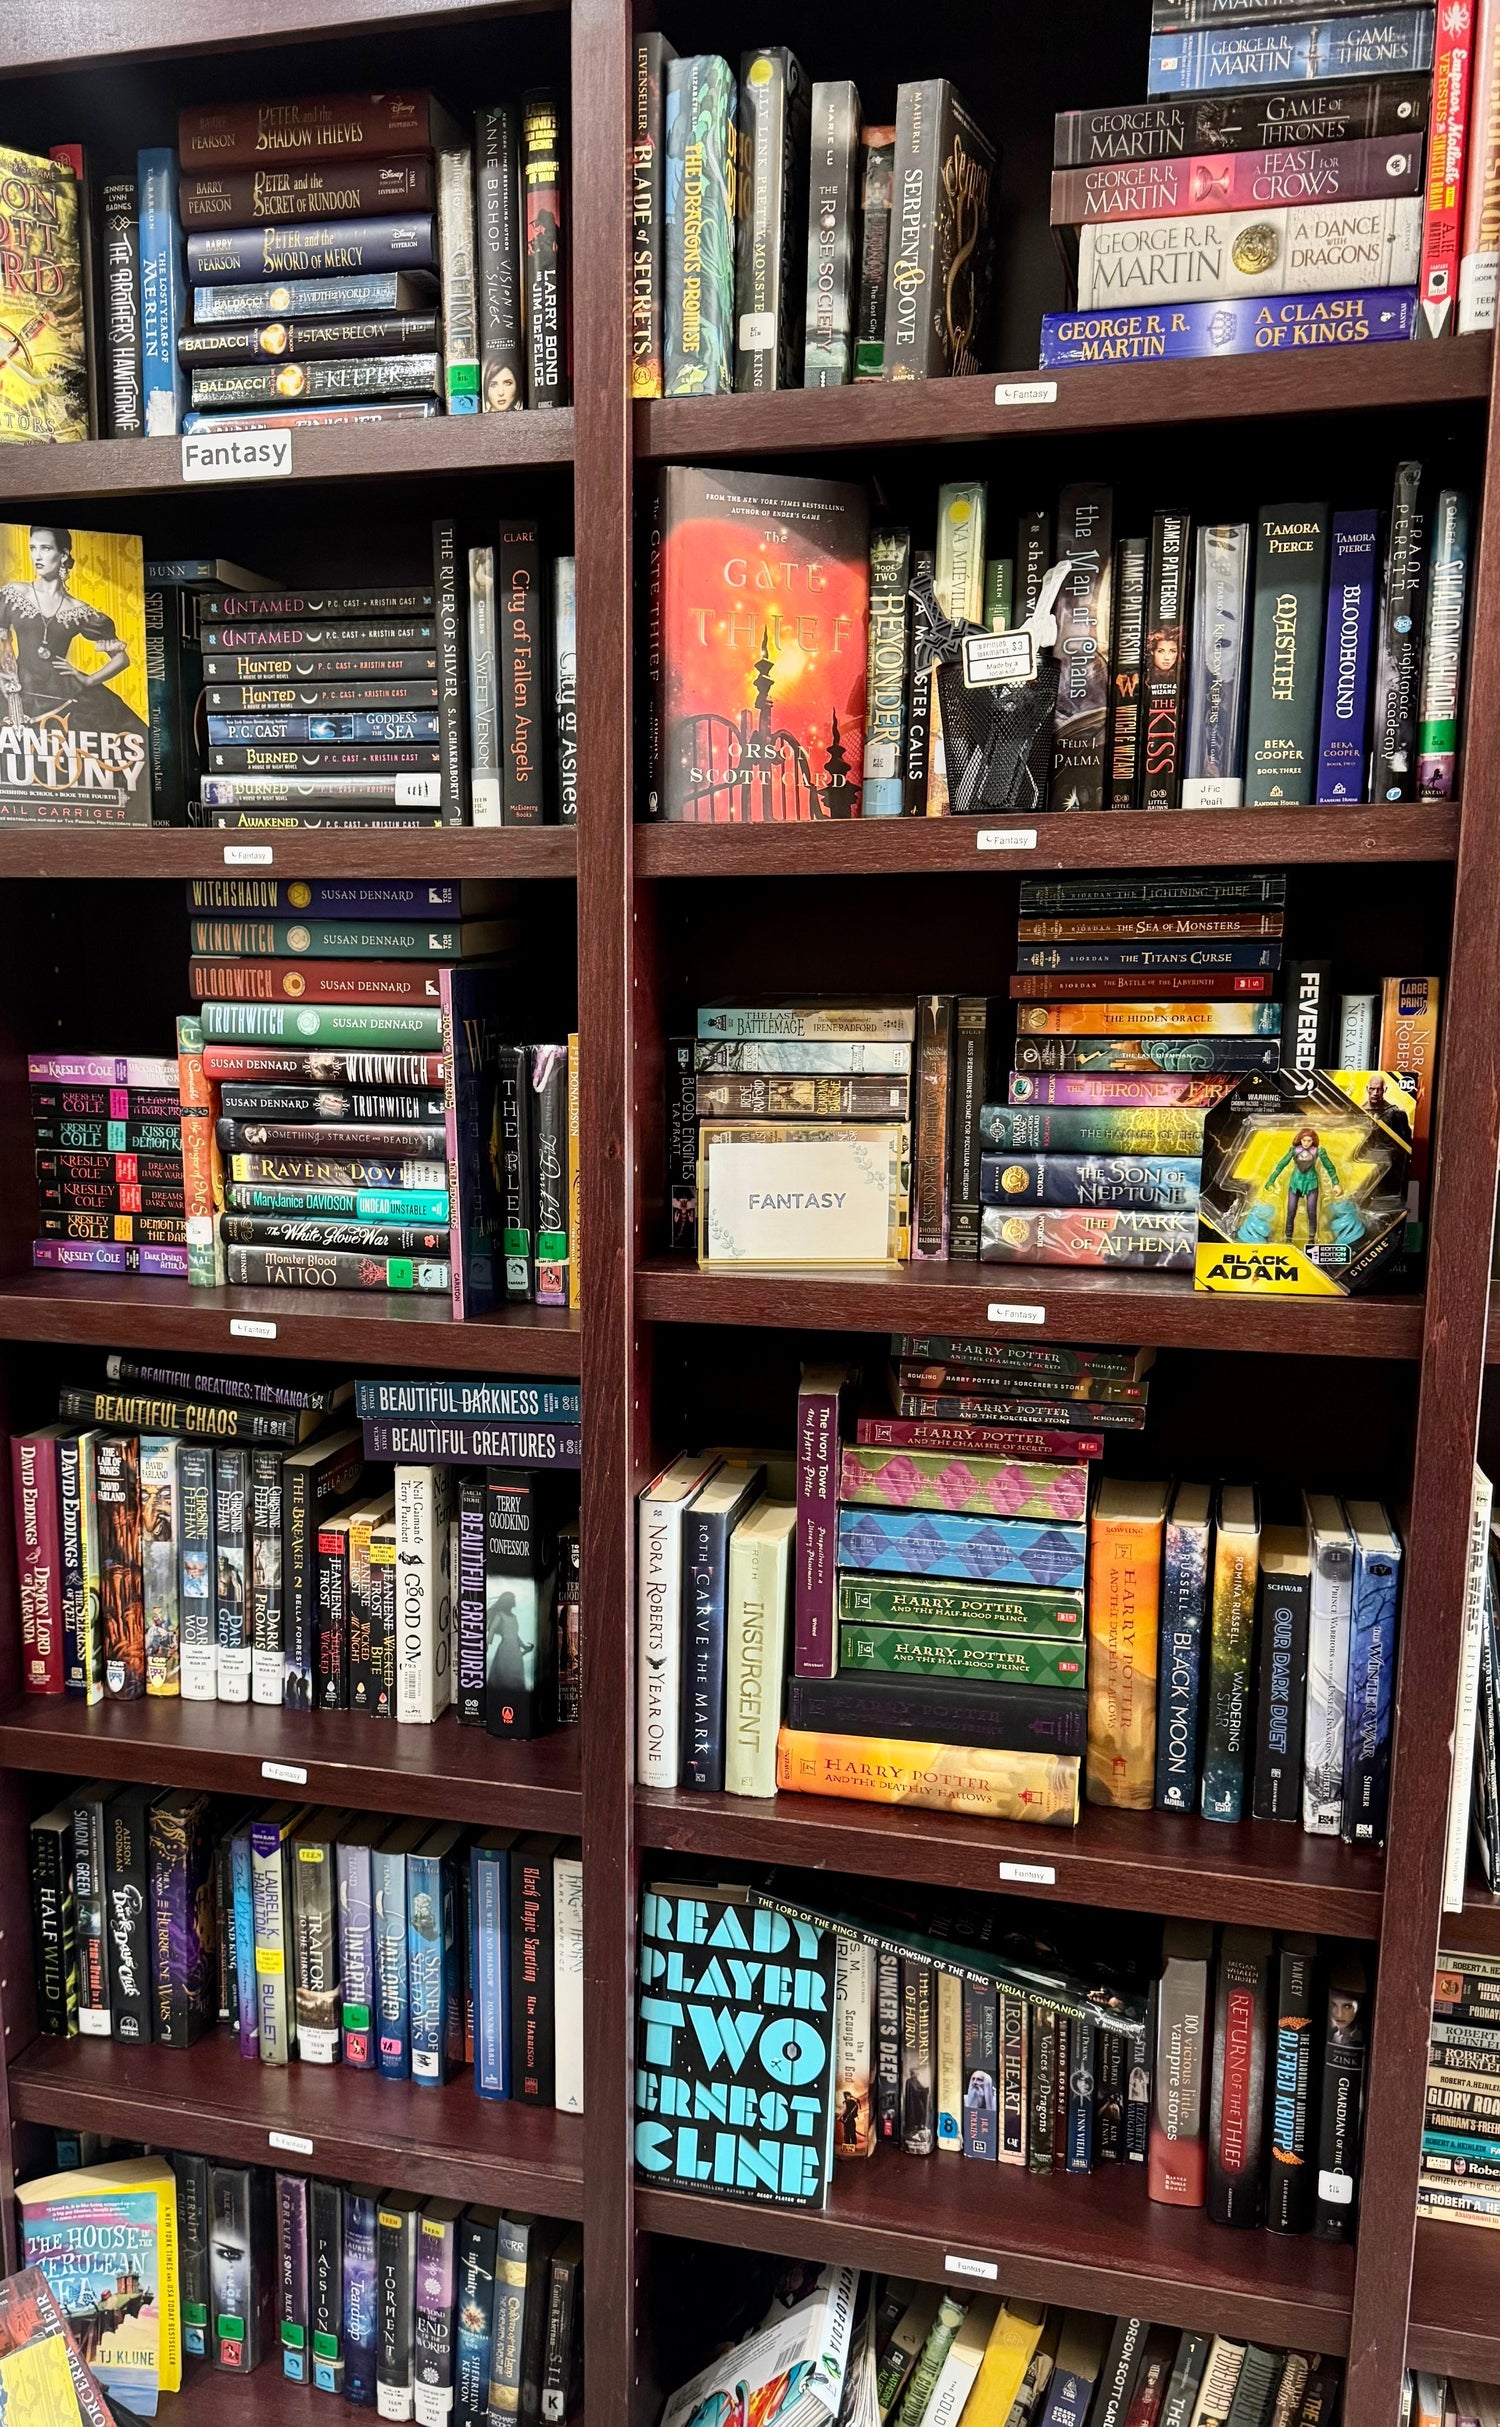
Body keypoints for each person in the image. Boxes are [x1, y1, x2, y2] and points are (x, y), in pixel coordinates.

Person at [0, 525, 147, 739]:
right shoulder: (14, 593)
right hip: (18, 689)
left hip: (67, 697)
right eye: (33, 548)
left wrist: (87, 681)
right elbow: (4, 643)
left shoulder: (78, 610)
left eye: (46, 548)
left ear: (63, 554)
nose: (37, 556)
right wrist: (4, 677)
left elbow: (121, 659)